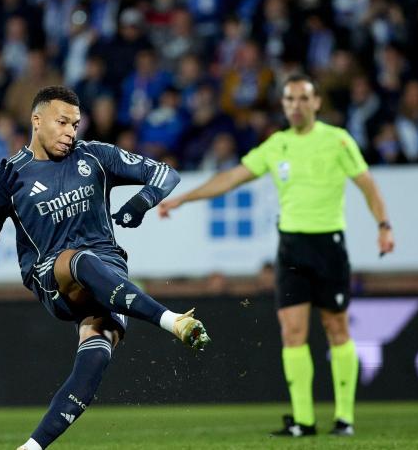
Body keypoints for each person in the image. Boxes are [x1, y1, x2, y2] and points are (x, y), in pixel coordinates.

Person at [0, 86, 209, 450]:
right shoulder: (10, 176)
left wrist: (142, 202)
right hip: (53, 277)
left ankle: (31, 447)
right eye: (62, 122)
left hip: (110, 275)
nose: (70, 131)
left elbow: (165, 174)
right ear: (37, 120)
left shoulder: (94, 156)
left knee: (95, 355)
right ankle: (172, 320)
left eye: (75, 124)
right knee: (77, 260)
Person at [160, 74, 395, 437]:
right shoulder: (277, 145)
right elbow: (232, 177)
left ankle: (344, 419)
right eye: (289, 100)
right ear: (283, 105)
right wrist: (183, 198)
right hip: (291, 248)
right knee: (292, 333)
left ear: (316, 103)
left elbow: (367, 185)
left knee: (337, 328)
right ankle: (303, 421)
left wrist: (383, 225)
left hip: (328, 245)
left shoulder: (337, 140)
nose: (296, 106)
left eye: (303, 99)